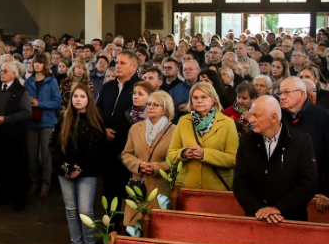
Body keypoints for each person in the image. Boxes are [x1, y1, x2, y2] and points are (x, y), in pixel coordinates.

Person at [233, 96, 318, 223]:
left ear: (274, 118)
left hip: (291, 218)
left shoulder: (300, 141)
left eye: (257, 116)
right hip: (256, 218)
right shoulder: (246, 141)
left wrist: (279, 208)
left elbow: (308, 183)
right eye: (251, 115)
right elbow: (240, 182)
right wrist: (258, 210)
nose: (250, 120)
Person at [53, 84, 107, 244]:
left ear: (88, 99)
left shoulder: (96, 118)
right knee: (71, 210)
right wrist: (67, 168)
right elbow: (54, 144)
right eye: (75, 96)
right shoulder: (64, 118)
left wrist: (79, 168)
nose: (78, 99)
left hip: (87, 171)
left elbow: (98, 148)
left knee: (85, 211)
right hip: (66, 170)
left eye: (82, 96)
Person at [278, 76, 329, 210]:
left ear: (302, 94)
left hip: (313, 192)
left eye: (286, 92)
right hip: (279, 191)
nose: (281, 97)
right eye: (280, 93)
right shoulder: (277, 117)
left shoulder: (323, 117)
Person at [167, 82, 238, 192]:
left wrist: (204, 154)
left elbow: (233, 159)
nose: (199, 100)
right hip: (187, 186)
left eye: (204, 97)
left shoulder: (227, 123)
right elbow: (171, 155)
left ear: (213, 99)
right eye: (195, 98)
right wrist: (184, 153)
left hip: (217, 187)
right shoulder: (183, 121)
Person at [120, 90, 176, 225]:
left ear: (165, 109)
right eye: (149, 104)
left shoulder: (175, 130)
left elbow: (176, 160)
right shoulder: (136, 128)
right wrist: (138, 164)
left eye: (156, 105)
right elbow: (126, 154)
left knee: (157, 231)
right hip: (137, 188)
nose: (150, 107)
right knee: (134, 232)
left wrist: (156, 167)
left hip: (160, 190)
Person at [0, 62, 33, 211]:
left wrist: (6, 119)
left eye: (5, 71)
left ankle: (18, 199)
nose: (1, 73)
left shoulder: (21, 90)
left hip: (13, 135)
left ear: (14, 74)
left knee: (15, 168)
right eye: (1, 71)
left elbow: (26, 112)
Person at [98, 51, 139, 201]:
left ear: (133, 67)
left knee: (129, 191)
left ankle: (128, 223)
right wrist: (103, 129)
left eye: (123, 63)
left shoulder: (139, 87)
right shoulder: (107, 87)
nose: (118, 66)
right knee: (109, 189)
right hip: (108, 143)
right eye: (117, 62)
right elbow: (98, 111)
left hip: (130, 146)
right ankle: (110, 223)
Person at [24, 53, 61, 197]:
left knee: (46, 156)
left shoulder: (51, 81)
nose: (36, 65)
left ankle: (46, 184)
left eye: (39, 62)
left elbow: (57, 102)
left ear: (45, 64)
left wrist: (39, 103)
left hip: (47, 121)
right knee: (31, 155)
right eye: (35, 63)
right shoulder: (28, 81)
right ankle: (34, 183)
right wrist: (29, 102)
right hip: (31, 121)